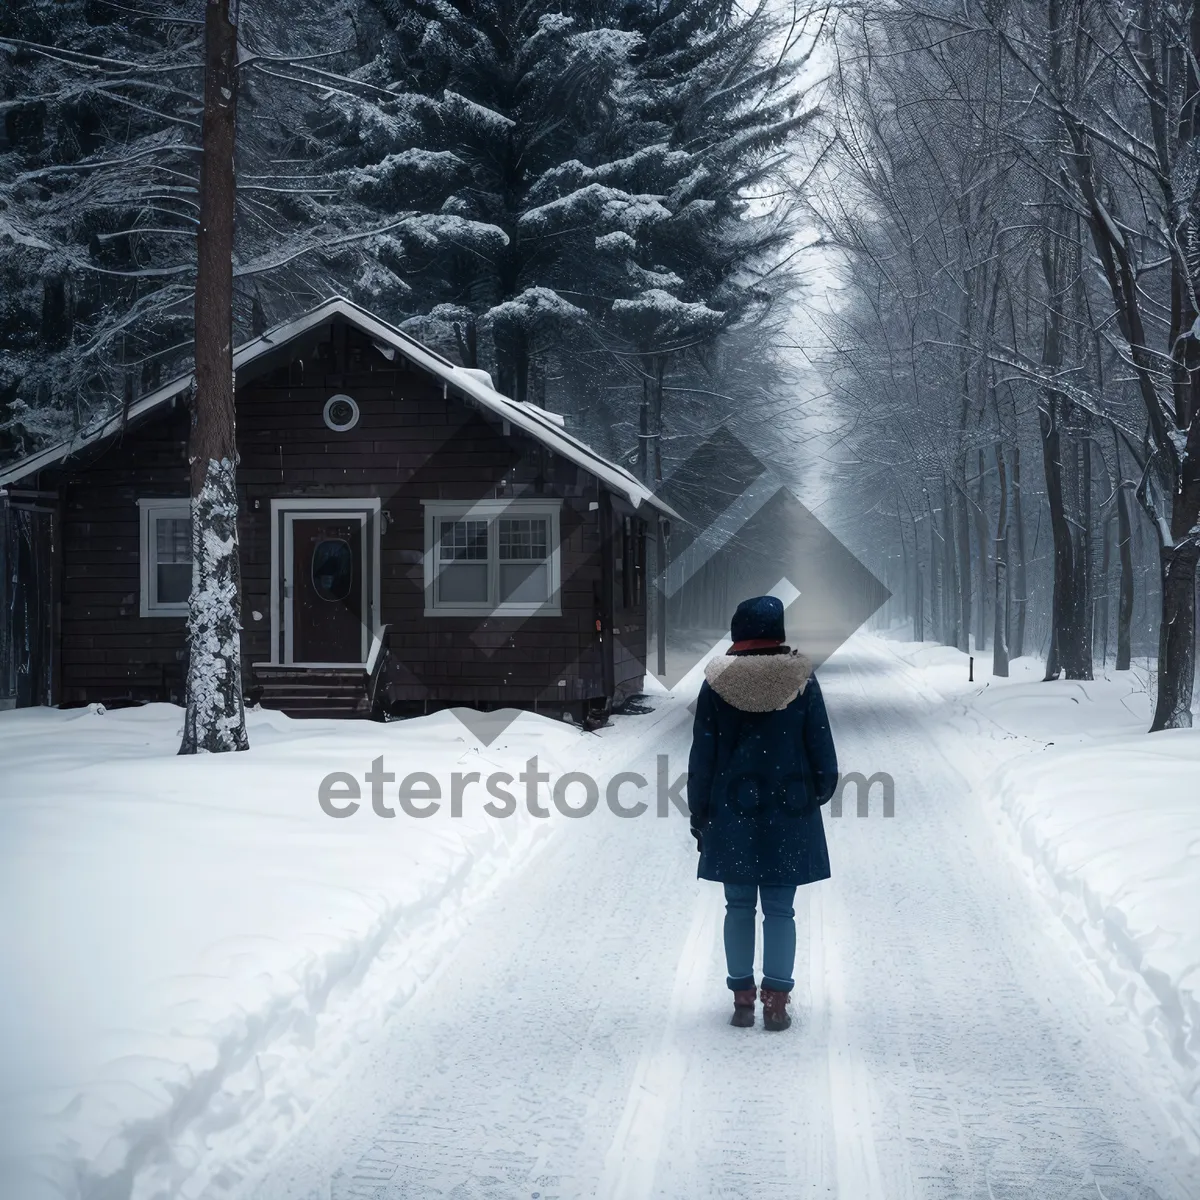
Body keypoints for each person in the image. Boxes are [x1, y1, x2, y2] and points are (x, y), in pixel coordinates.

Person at [686, 595, 839, 1031]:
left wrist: (701, 812)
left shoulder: (716, 686)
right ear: (779, 632)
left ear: (738, 634)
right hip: (789, 810)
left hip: (732, 810)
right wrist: (816, 792)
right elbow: (822, 753)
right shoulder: (802, 683)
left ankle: (741, 999)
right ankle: (776, 1001)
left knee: (737, 905)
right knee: (780, 908)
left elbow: (703, 757)